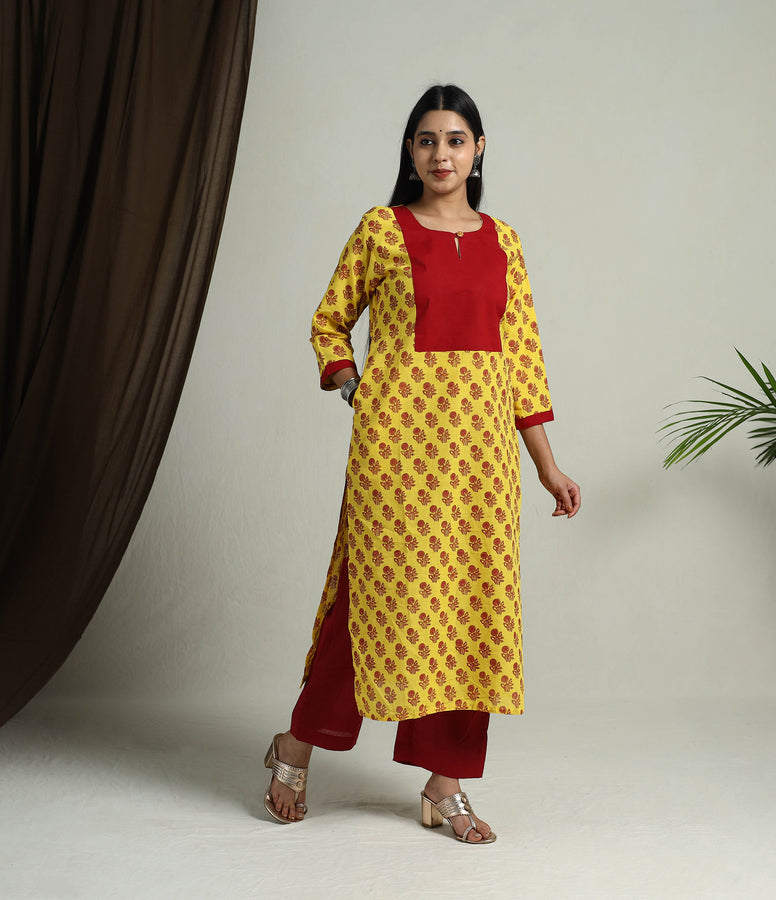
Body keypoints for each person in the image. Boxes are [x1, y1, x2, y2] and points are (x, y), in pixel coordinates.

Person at [263, 84, 580, 844]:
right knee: (371, 600)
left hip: (480, 462)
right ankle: (296, 744)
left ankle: (446, 784)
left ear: (478, 151)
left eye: (456, 139)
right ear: (410, 151)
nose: (442, 154)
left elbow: (523, 361)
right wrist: (353, 385)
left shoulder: (504, 242)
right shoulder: (383, 229)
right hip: (397, 455)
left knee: (468, 609)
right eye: (428, 140)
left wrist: (547, 465)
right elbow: (330, 320)